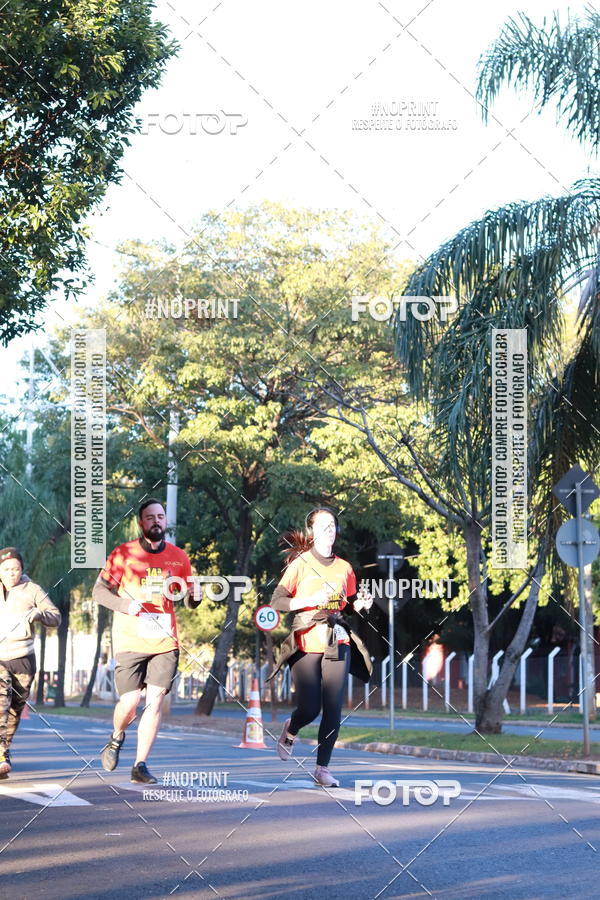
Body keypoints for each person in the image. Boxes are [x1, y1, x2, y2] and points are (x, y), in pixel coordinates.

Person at [93, 499, 201, 784]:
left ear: (166, 522)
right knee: (130, 704)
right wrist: (126, 605)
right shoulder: (123, 553)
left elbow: (189, 601)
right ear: (141, 523)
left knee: (153, 704)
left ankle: (140, 764)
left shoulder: (179, 557)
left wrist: (196, 596)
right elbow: (99, 593)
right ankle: (117, 736)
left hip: (165, 642)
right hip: (130, 640)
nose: (156, 521)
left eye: (161, 517)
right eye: (150, 517)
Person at [269, 508, 373, 787]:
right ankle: (291, 729)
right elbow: (277, 601)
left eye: (333, 525)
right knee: (310, 707)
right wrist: (308, 599)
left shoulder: (345, 568)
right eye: (323, 525)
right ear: (313, 531)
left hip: (337, 639)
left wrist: (360, 606)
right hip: (305, 641)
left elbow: (349, 605)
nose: (329, 529)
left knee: (333, 707)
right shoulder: (300, 564)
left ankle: (322, 769)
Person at [0, 547, 61, 778]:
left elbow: (55, 616)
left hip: (24, 659)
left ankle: (3, 750)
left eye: (15, 569)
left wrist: (38, 614)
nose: (11, 573)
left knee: (15, 709)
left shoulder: (32, 589)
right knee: (1, 702)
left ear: (21, 569)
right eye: (6, 569)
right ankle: (1, 754)